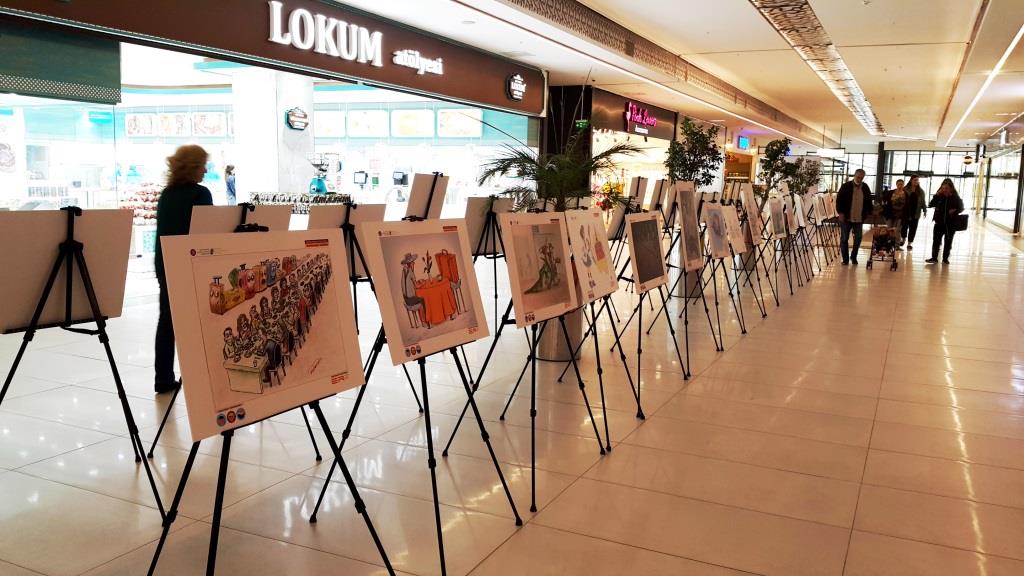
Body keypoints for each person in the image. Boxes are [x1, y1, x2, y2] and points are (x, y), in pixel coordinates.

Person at [154, 145, 213, 394]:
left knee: (167, 321)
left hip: (166, 263)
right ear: (193, 167)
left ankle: (163, 378)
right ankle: (200, 377)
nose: (205, 171)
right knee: (200, 321)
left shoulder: (166, 194)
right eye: (203, 165)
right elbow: (206, 233)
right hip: (191, 264)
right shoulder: (201, 194)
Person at [835, 168, 873, 265]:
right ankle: (845, 259)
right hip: (846, 218)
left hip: (859, 218)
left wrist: (870, 212)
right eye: (858, 177)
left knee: (858, 238)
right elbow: (839, 200)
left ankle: (854, 256)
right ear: (855, 176)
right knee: (844, 239)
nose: (860, 179)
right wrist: (840, 213)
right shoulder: (846, 186)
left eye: (862, 178)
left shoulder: (865, 187)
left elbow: (869, 201)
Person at [925, 178, 964, 264]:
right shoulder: (939, 197)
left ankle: (945, 259)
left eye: (946, 188)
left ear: (951, 188)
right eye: (943, 188)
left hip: (950, 224)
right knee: (936, 241)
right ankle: (934, 258)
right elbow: (931, 204)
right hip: (939, 223)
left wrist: (955, 211)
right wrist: (936, 195)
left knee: (948, 242)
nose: (944, 190)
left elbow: (961, 208)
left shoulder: (955, 198)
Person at [901, 175, 927, 249]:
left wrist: (925, 210)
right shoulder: (905, 189)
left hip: (916, 213)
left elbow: (923, 201)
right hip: (906, 212)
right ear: (911, 180)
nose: (916, 181)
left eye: (917, 180)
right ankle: (903, 239)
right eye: (915, 180)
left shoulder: (921, 191)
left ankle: (909, 243)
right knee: (904, 227)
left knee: (913, 228)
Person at [885, 179, 907, 249]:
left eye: (901, 184)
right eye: (899, 184)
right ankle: (888, 245)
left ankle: (897, 246)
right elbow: (886, 200)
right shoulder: (891, 192)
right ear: (896, 185)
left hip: (900, 215)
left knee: (898, 230)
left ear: (903, 185)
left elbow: (907, 205)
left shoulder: (905, 194)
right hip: (890, 214)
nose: (900, 186)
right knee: (889, 229)